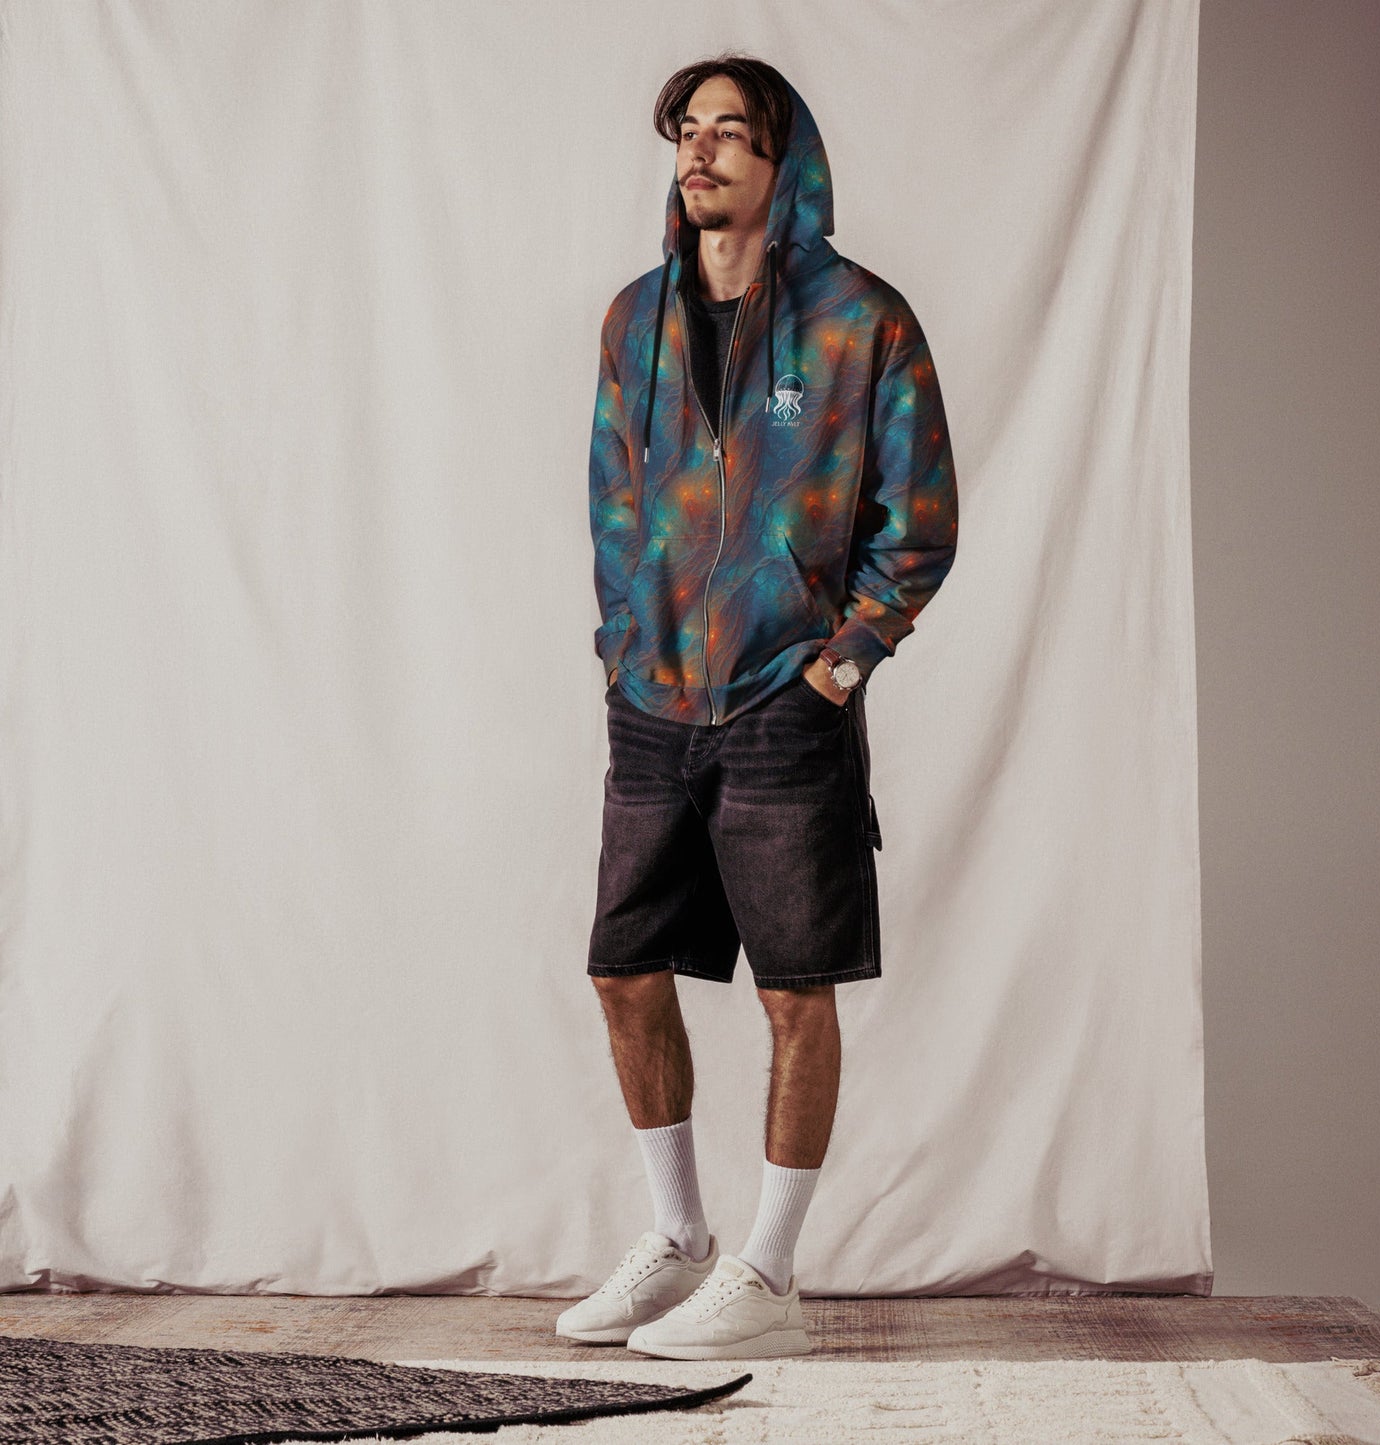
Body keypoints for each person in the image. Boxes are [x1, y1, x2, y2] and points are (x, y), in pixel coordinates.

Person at [557, 54, 957, 1360]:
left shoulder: (860, 323)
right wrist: (623, 646)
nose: (701, 150)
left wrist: (843, 660)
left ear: (788, 164)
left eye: (732, 131)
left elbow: (919, 523)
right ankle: (677, 1239)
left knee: (795, 988)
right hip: (652, 702)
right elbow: (614, 500)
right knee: (623, 968)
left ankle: (769, 1272)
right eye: (688, 128)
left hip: (787, 703)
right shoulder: (636, 319)